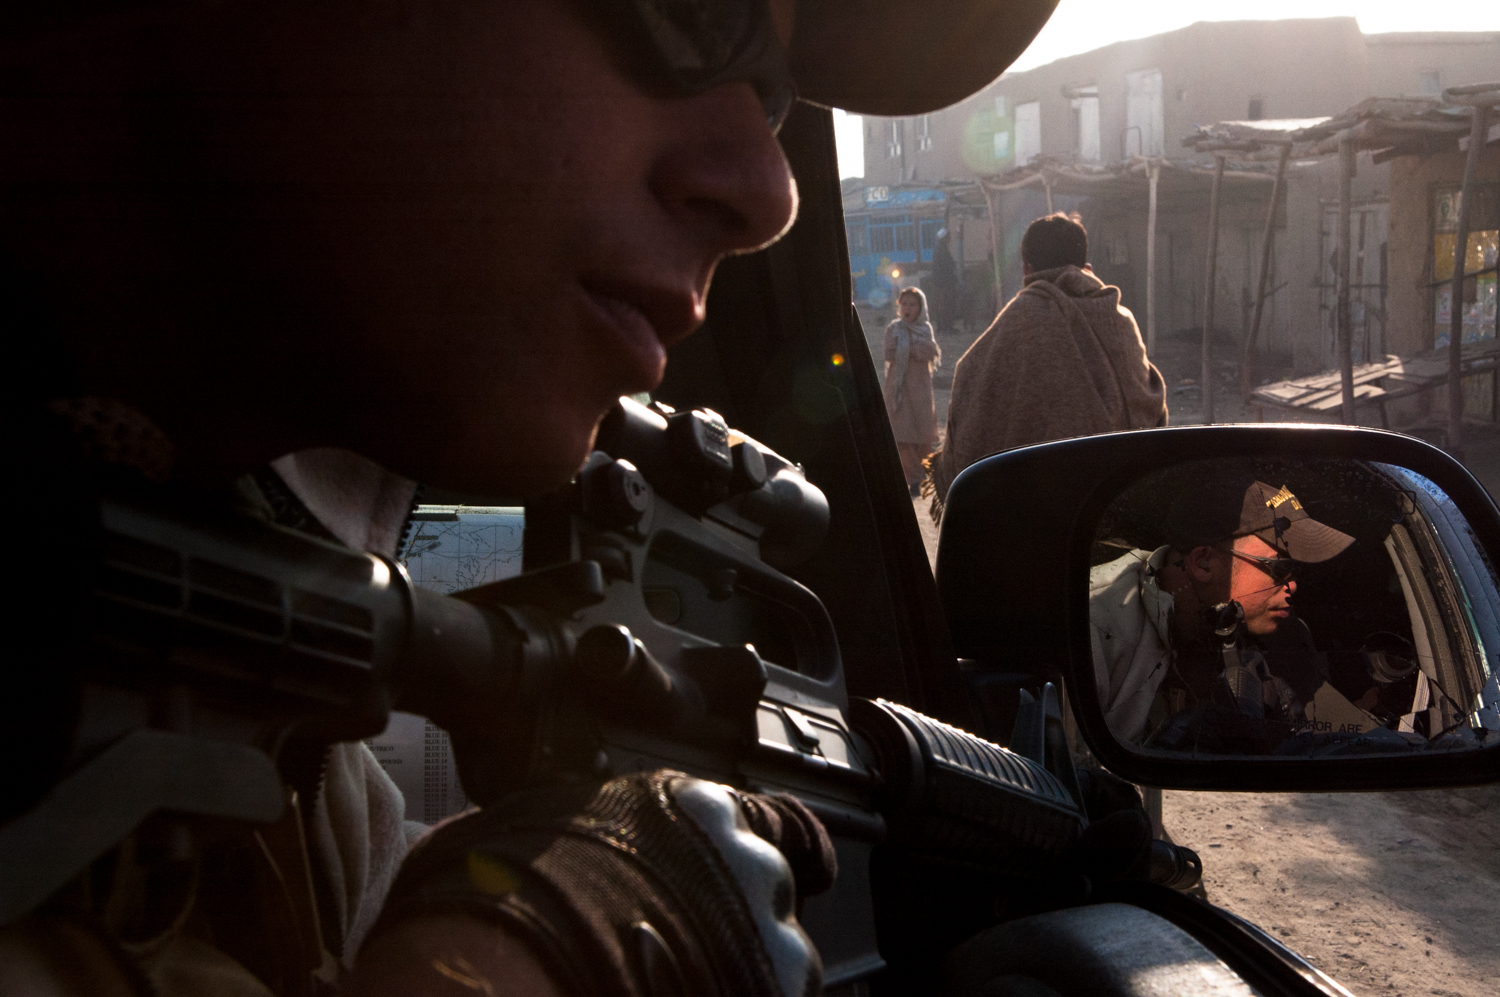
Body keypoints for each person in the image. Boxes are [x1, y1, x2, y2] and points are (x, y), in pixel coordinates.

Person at [2, 2, 1060, 996]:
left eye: (776, 100)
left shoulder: (252, 705)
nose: (767, 193)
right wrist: (536, 939)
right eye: (696, 12)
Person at [925, 212, 1166, 518]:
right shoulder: (1119, 319)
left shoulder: (1016, 322)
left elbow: (971, 387)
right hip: (1115, 508)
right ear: (1086, 267)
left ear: (1027, 268)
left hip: (1032, 516)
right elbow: (1148, 408)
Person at [1089, 476, 1357, 750]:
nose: (1292, 585)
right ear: (1203, 563)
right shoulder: (1094, 625)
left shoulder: (1288, 638)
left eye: (1296, 570)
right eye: (1280, 568)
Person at [883, 287, 942, 496]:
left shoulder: (925, 329)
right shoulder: (893, 329)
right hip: (898, 389)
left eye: (912, 304)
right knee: (900, 435)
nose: (908, 308)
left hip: (920, 389)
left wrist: (907, 351)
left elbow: (930, 351)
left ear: (921, 308)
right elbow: (888, 352)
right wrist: (914, 351)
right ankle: (913, 476)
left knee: (921, 435)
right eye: (904, 304)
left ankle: (923, 475)